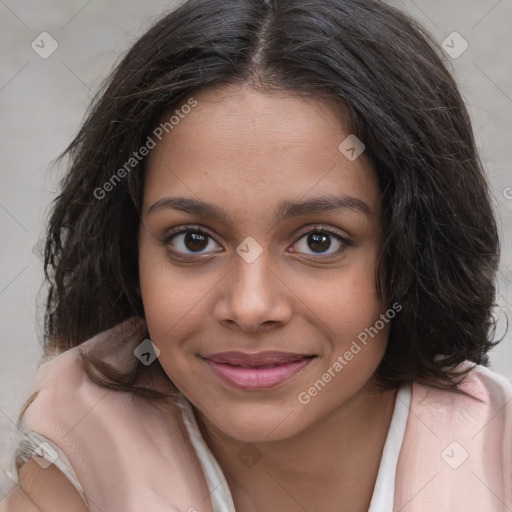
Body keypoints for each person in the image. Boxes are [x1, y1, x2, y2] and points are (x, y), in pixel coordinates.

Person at [2, 0, 511, 510]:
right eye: (193, 240)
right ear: (127, 252)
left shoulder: (495, 461)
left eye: (319, 241)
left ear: (415, 253)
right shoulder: (79, 443)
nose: (249, 306)